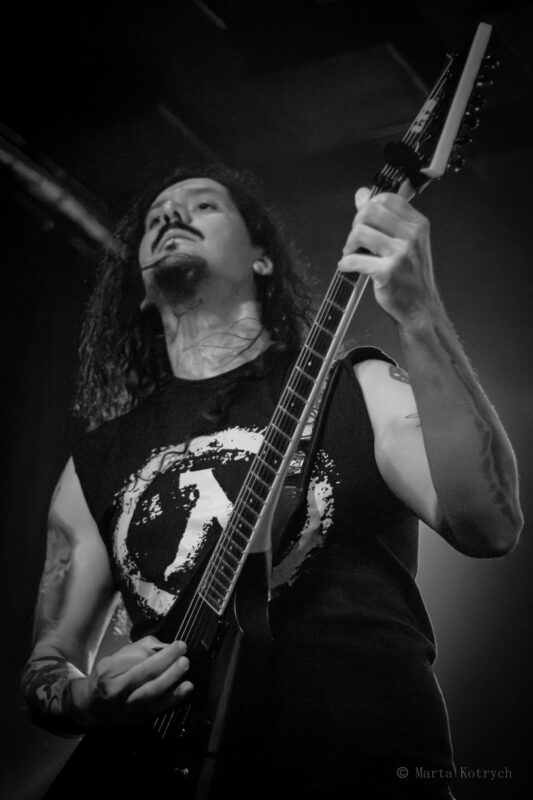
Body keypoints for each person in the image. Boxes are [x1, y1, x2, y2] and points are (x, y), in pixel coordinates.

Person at [21, 163, 523, 799]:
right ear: (142, 289)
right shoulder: (95, 460)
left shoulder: (357, 386)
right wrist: (86, 698)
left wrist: (419, 314)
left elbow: (489, 524)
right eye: (154, 220)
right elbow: (50, 659)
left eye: (203, 206)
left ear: (261, 259)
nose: (170, 216)